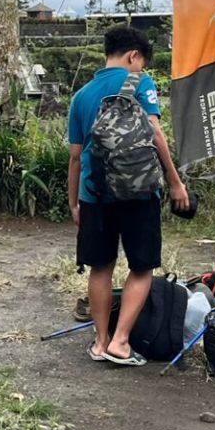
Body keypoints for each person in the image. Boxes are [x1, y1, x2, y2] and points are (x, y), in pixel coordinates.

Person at [66, 25, 191, 366]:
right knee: (142, 266)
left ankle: (100, 340)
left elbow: (76, 156)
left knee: (100, 267)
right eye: (140, 61)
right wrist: (175, 181)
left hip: (95, 193)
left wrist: (74, 201)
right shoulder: (141, 83)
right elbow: (154, 133)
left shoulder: (82, 95)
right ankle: (121, 342)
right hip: (139, 191)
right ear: (134, 55)